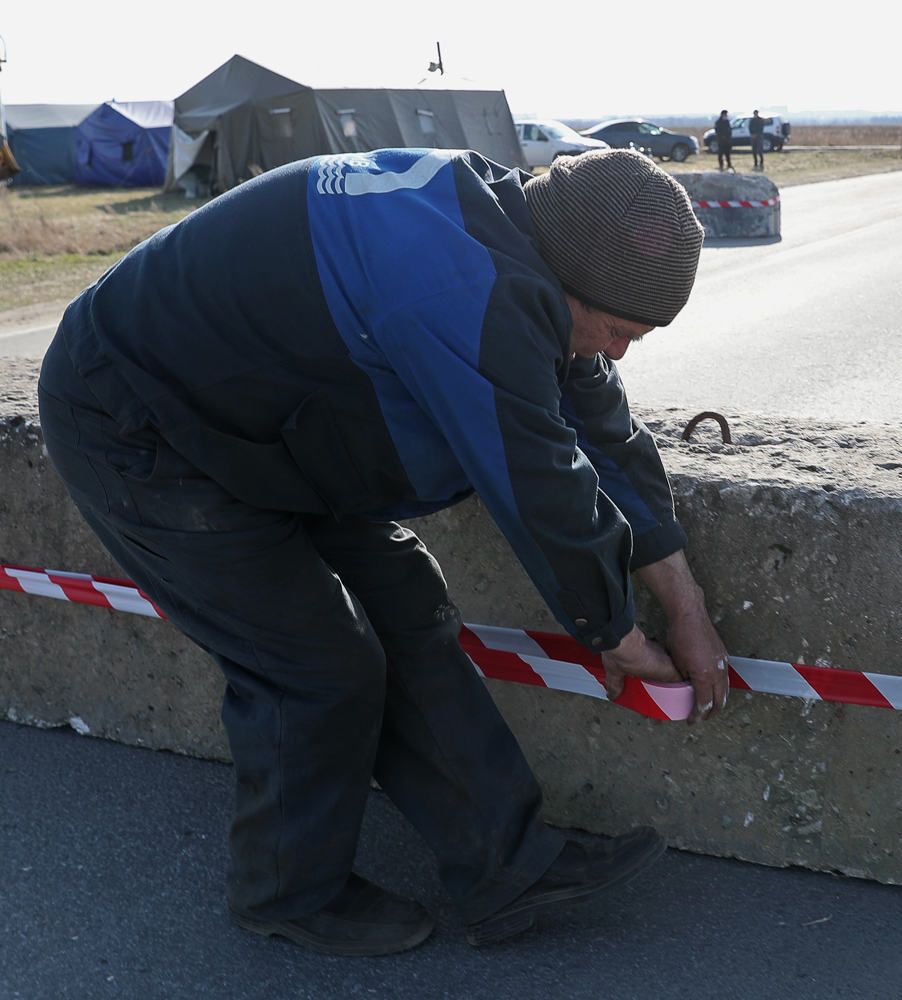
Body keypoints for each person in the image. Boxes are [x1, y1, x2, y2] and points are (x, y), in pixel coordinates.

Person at [37, 148, 730, 956]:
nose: (618, 355)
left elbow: (607, 438)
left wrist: (688, 610)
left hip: (256, 413)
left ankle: (506, 865)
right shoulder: (469, 290)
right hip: (138, 421)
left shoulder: (532, 240)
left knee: (408, 602)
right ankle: (287, 891)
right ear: (570, 285)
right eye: (618, 333)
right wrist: (618, 637)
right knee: (316, 663)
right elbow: (541, 487)